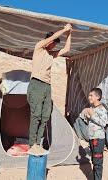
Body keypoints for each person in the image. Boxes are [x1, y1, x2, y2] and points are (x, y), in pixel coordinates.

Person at [27, 24, 72, 154]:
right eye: (52, 43)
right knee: (36, 115)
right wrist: (64, 29)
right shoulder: (39, 47)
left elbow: (67, 48)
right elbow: (53, 37)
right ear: (48, 40)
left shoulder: (51, 55)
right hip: (36, 84)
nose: (53, 46)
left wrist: (70, 33)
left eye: (54, 45)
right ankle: (32, 144)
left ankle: (38, 143)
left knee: (45, 115)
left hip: (47, 86)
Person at [80, 88, 108, 180]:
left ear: (98, 97)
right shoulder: (92, 108)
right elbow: (92, 121)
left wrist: (92, 115)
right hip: (92, 138)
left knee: (98, 162)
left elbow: (103, 123)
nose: (89, 97)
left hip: (98, 139)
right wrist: (87, 116)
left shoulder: (102, 109)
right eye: (89, 95)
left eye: (91, 95)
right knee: (94, 160)